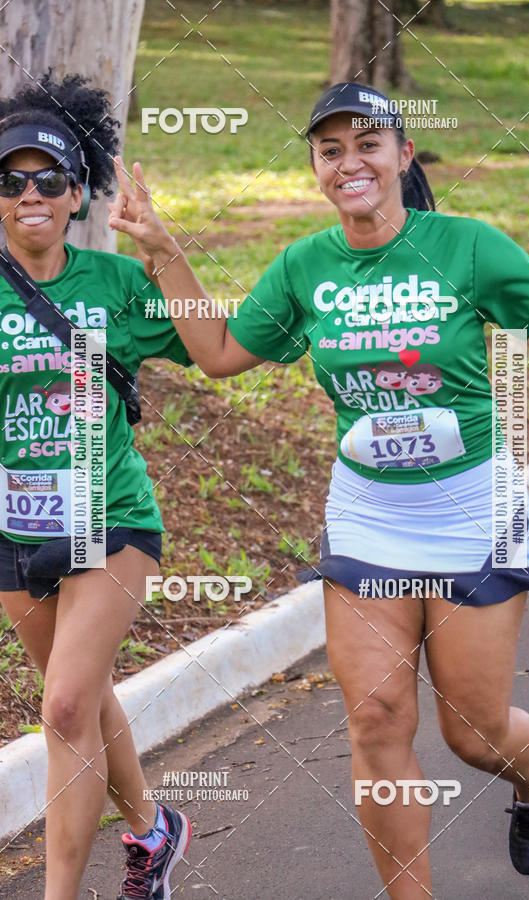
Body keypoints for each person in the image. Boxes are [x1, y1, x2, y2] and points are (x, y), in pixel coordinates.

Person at [108, 81, 529, 898]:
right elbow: (222, 350)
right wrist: (163, 249)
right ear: (316, 168)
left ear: (404, 156)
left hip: (472, 510)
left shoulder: (467, 247)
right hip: (370, 514)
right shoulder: (307, 264)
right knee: (376, 720)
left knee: (475, 731)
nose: (349, 162)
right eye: (330, 149)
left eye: (367, 143)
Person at [0, 73, 193, 900]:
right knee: (83, 702)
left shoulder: (115, 288)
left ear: (78, 193)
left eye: (50, 178)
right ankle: (153, 831)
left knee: (69, 707)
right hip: (14, 532)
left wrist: (165, 250)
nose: (30, 192)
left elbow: (216, 336)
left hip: (109, 521)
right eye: (11, 179)